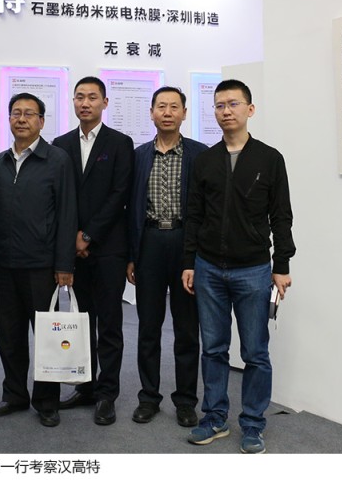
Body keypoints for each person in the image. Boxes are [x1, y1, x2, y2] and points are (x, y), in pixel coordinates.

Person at [182, 79, 295, 454]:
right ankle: (214, 418)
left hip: (254, 270)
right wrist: (189, 262)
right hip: (208, 268)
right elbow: (194, 215)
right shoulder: (205, 160)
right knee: (213, 349)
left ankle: (253, 423)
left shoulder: (269, 158)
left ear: (250, 109)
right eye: (219, 105)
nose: (225, 111)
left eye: (233, 103)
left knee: (255, 352)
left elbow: (281, 216)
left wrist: (281, 265)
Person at [0, 92, 77, 428]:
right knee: (9, 336)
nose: (21, 119)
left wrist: (64, 264)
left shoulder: (57, 160)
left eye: (29, 114)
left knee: (47, 337)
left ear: (41, 121)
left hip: (42, 266)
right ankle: (14, 394)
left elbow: (67, 213)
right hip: (6, 265)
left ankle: (46, 401)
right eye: (16, 113)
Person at [52, 76, 134, 426]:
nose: (85, 103)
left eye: (92, 97)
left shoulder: (120, 143)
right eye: (79, 97)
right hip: (73, 250)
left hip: (109, 248)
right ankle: (85, 387)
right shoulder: (60, 144)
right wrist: (73, 238)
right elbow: (58, 196)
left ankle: (106, 394)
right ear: (73, 102)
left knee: (109, 323)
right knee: (80, 321)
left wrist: (88, 234)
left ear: (105, 103)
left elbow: (120, 194)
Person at [126, 86, 207, 428]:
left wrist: (197, 256)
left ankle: (186, 401)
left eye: (175, 107)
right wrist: (132, 255)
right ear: (152, 113)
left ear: (184, 113)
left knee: (187, 329)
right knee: (148, 326)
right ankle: (149, 397)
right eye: (162, 106)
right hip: (149, 244)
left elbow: (206, 209)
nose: (168, 112)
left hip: (185, 244)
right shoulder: (138, 156)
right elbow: (129, 209)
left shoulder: (200, 155)